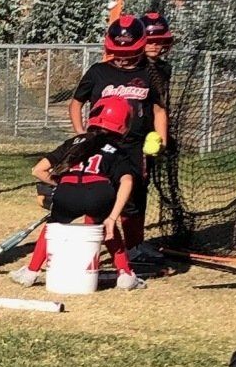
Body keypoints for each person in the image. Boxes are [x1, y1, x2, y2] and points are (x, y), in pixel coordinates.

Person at [71, 14, 168, 269]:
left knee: (134, 197)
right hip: (100, 144)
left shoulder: (149, 75)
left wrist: (161, 139)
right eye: (117, 52)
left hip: (135, 147)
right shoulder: (98, 72)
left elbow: (159, 110)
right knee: (96, 193)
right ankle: (89, 248)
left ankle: (134, 247)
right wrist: (81, 133)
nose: (123, 58)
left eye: (129, 52)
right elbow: (76, 103)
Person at [21, 92, 142, 288]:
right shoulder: (117, 149)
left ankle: (30, 272)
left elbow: (38, 170)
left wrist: (63, 184)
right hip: (98, 193)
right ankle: (125, 274)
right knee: (106, 227)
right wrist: (111, 218)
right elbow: (127, 181)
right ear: (124, 123)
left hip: (66, 192)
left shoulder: (74, 142)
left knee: (52, 226)